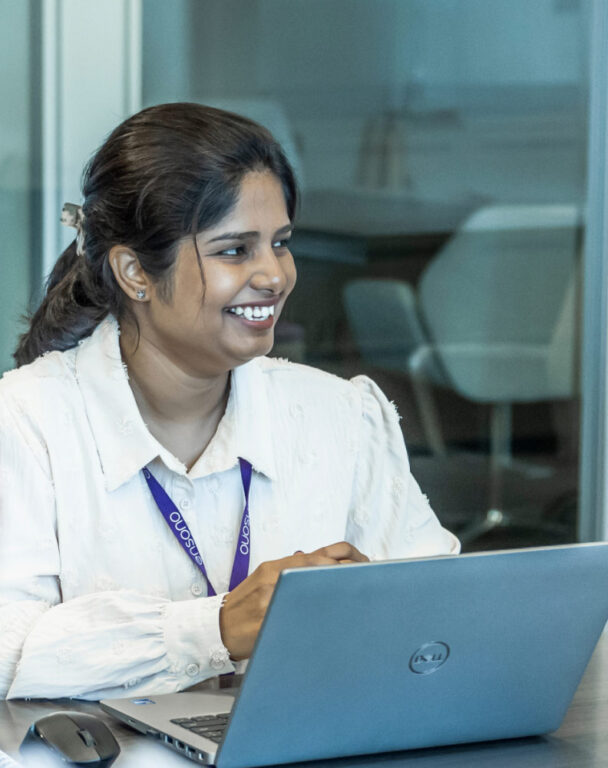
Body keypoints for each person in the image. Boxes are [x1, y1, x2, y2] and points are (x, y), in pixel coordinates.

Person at [0, 103, 458, 701]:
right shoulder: (27, 423)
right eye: (235, 251)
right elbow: (10, 653)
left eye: (281, 243)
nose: (275, 275)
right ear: (135, 271)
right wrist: (216, 628)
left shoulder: (339, 415)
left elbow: (444, 614)